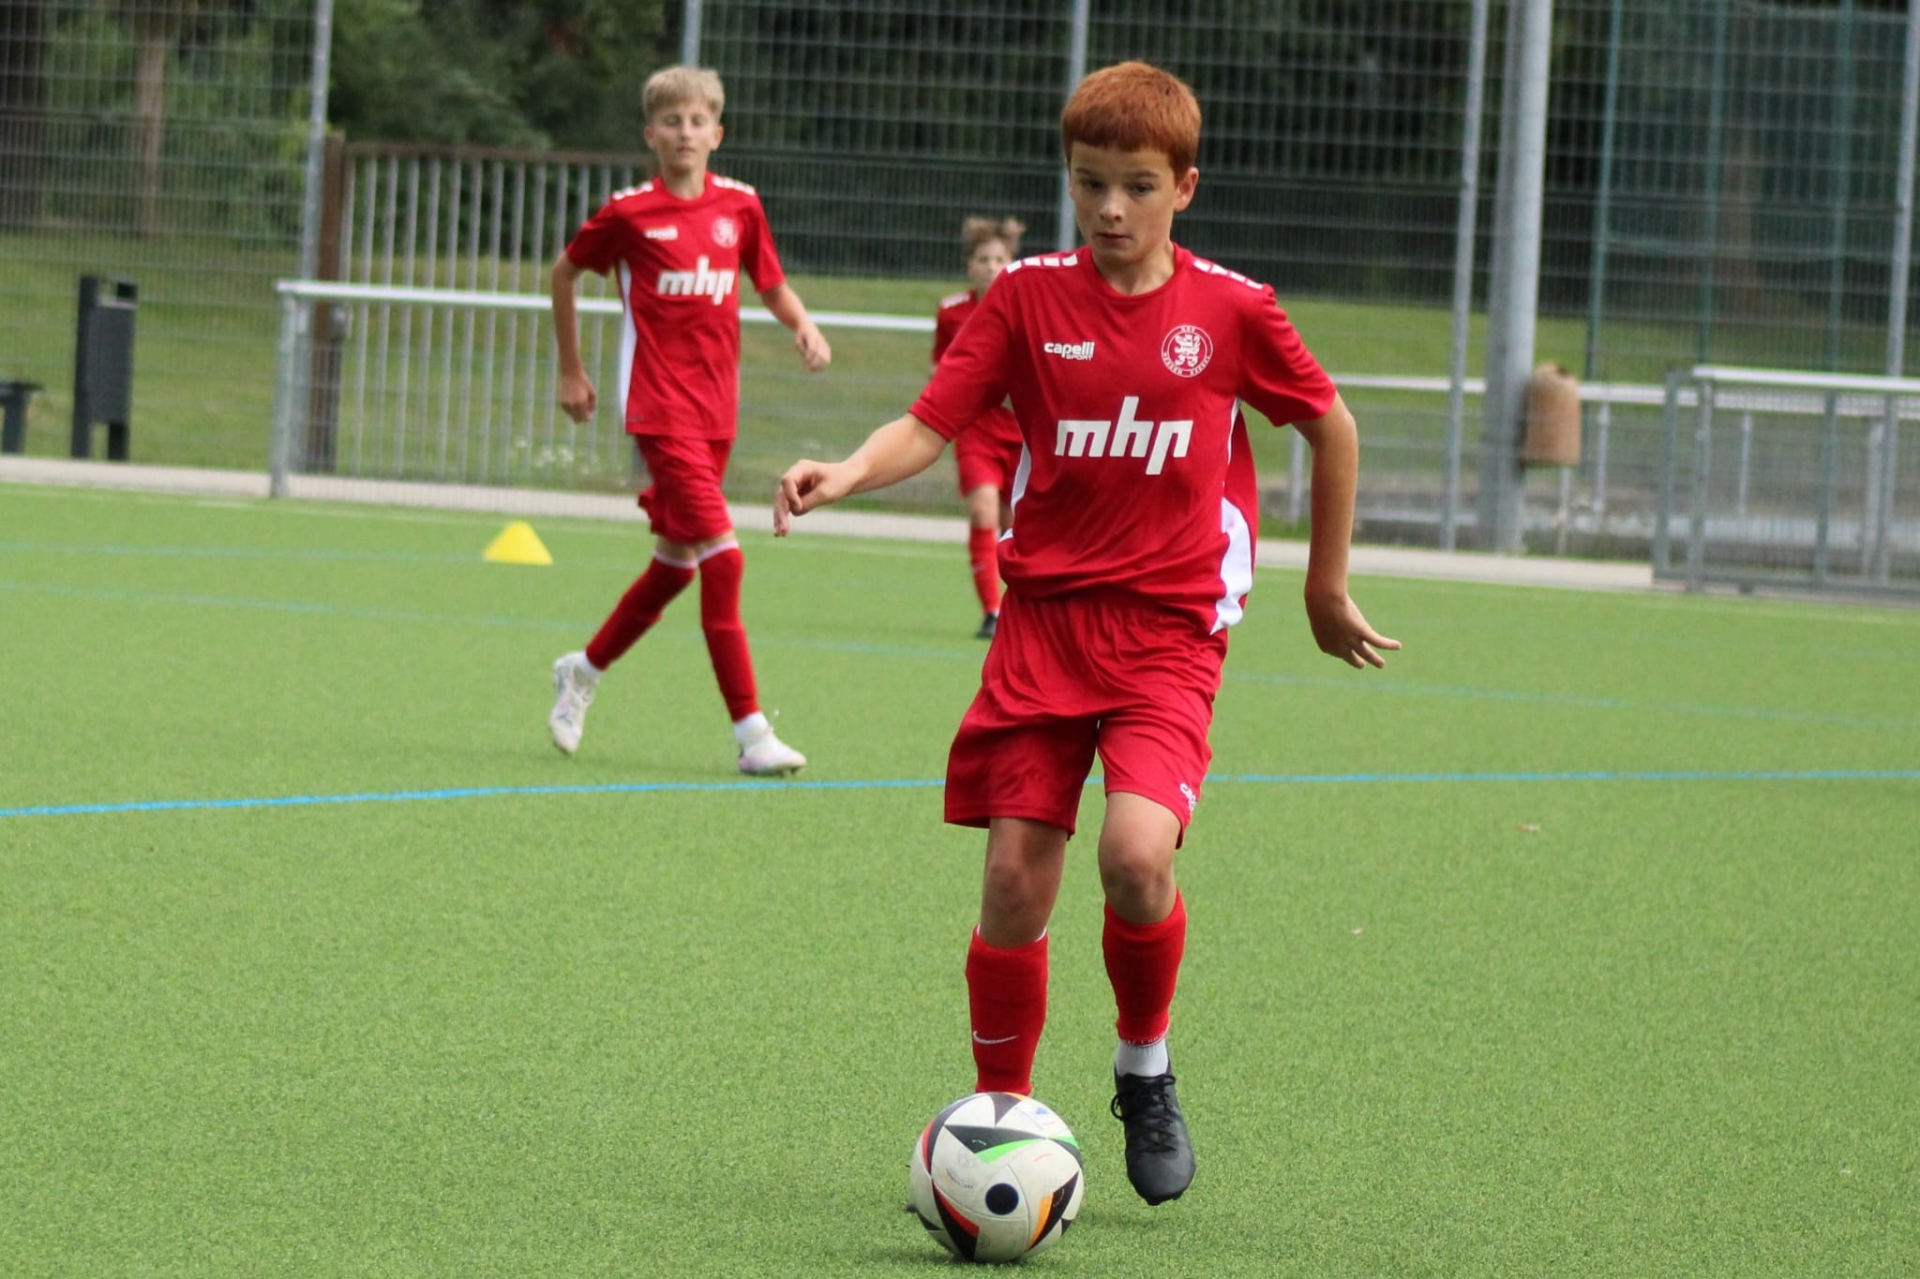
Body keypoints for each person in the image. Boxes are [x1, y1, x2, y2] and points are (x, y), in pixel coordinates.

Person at [773, 61, 1398, 1205]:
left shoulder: (1232, 311)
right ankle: (997, 1123)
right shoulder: (1024, 299)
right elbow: (933, 420)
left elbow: (1332, 424)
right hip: (1044, 624)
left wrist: (1325, 587)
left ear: (1185, 188)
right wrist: (845, 471)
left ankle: (1143, 1066)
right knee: (1014, 879)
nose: (1110, 209)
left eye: (1138, 186)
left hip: (1167, 629)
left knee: (1135, 857)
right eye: (1090, 182)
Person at [547, 64, 830, 775]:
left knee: (674, 568)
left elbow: (770, 283)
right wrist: (571, 369)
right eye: (671, 121)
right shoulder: (628, 213)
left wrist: (802, 324)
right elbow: (564, 273)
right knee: (724, 559)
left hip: (716, 413)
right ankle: (752, 734)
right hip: (659, 408)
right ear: (650, 134)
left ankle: (582, 670)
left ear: (717, 133)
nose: (684, 132)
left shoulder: (740, 206)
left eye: (697, 121)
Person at [934, 216, 1026, 639]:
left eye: (999, 259)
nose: (992, 267)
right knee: (982, 510)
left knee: (1016, 524)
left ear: (1011, 263)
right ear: (970, 266)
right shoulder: (952, 312)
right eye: (984, 259)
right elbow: (942, 368)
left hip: (1023, 435)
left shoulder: (1027, 308)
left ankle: (1020, 608)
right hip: (977, 431)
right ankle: (992, 610)